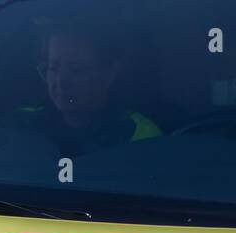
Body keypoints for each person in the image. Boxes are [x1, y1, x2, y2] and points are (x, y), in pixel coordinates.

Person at [17, 23, 161, 155]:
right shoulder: (21, 124)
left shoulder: (140, 138)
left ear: (109, 75)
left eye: (76, 70)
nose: (61, 82)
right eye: (53, 68)